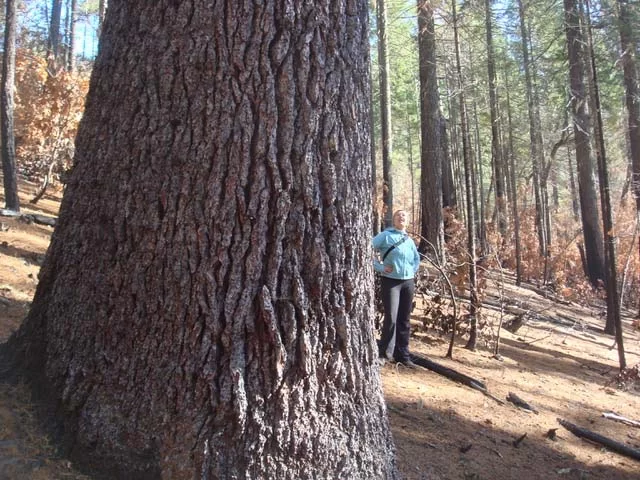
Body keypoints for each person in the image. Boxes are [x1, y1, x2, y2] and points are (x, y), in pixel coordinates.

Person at [372, 209, 421, 368]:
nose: (402, 217)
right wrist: (379, 267)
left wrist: (412, 270)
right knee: (391, 317)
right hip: (391, 282)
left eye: (404, 216)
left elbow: (416, 258)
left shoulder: (409, 240)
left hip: (408, 282)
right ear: (393, 220)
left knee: (404, 319)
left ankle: (403, 355)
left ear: (407, 221)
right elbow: (366, 248)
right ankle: (384, 354)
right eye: (399, 215)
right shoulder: (386, 235)